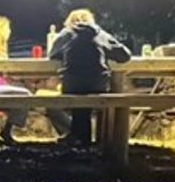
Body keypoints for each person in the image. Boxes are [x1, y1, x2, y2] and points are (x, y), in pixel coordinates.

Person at [0, 15, 69, 143]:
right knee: (25, 96)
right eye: (8, 28)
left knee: (38, 100)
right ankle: (8, 130)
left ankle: (67, 131)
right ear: (0, 28)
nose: (9, 31)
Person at [49, 8, 132, 146]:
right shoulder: (100, 34)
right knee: (86, 93)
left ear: (69, 21)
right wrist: (106, 53)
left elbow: (52, 54)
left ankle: (77, 137)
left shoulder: (66, 34)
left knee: (78, 95)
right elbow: (125, 56)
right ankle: (82, 138)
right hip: (98, 86)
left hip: (72, 86)